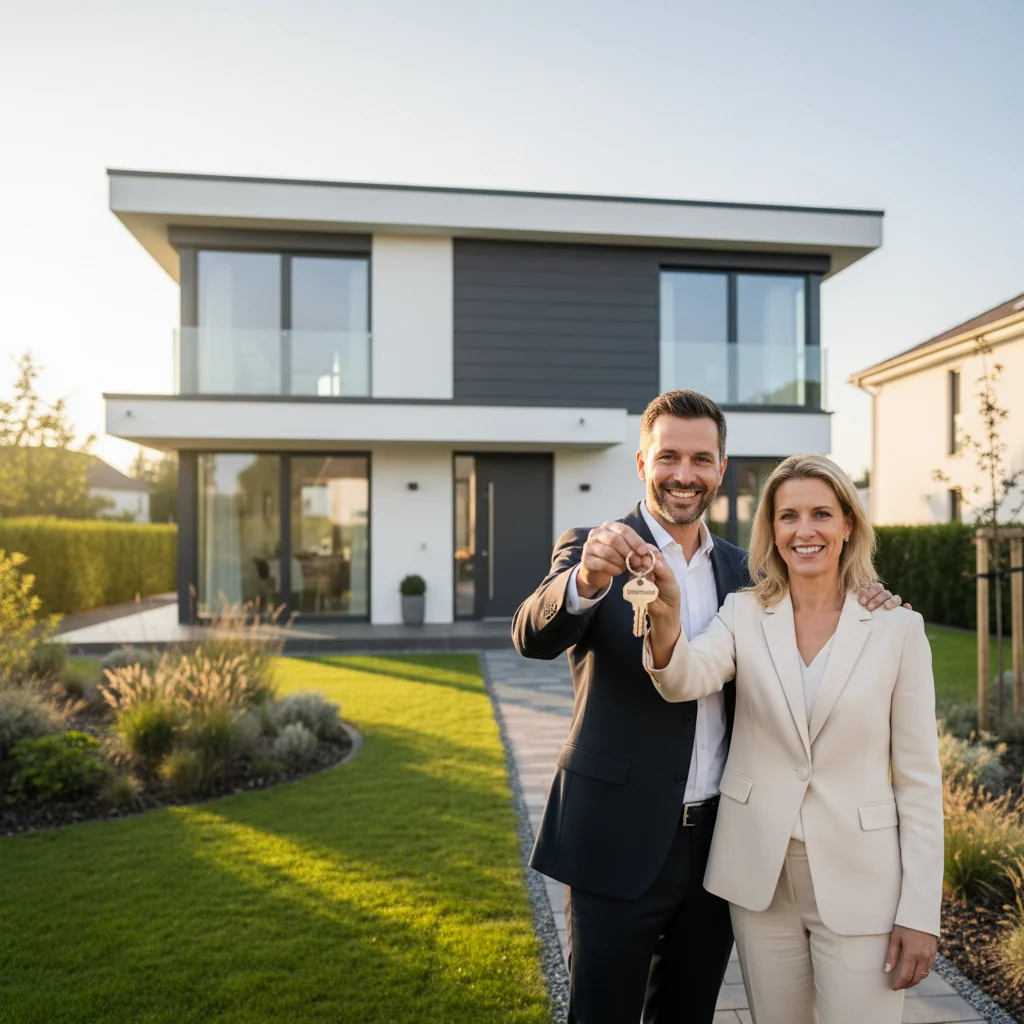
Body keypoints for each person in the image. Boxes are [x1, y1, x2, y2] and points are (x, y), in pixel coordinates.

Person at [512, 391, 903, 1024]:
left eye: (701, 458)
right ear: (642, 463)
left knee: (687, 1013)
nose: (685, 475)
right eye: (668, 457)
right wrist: (583, 584)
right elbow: (531, 635)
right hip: (616, 834)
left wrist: (867, 595)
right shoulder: (592, 548)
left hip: (723, 841)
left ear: (722, 468)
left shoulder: (749, 572)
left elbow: (817, 598)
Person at [642, 453, 943, 1024]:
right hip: (760, 880)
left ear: (848, 524)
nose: (804, 531)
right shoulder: (742, 613)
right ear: (771, 529)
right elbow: (683, 678)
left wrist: (920, 910)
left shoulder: (898, 628)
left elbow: (921, 781)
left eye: (821, 514)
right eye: (788, 516)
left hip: (864, 883)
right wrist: (665, 617)